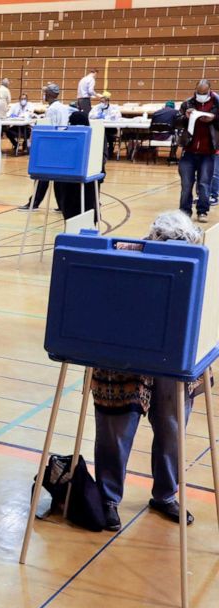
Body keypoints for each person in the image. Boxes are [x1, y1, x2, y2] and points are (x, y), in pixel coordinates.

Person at [92, 210, 203, 531]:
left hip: (176, 359)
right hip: (123, 359)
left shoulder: (199, 263)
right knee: (115, 432)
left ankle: (166, 494)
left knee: (172, 429)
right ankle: (108, 498)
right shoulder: (126, 259)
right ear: (154, 241)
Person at [19, 83, 72, 211]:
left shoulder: (53, 109)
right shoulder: (63, 107)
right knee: (59, 179)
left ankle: (34, 203)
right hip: (62, 146)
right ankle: (62, 205)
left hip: (52, 146)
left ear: (49, 94)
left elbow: (51, 128)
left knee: (42, 177)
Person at [175, 79, 219, 221]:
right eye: (198, 92)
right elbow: (177, 123)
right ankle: (184, 212)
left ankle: (202, 211)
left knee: (204, 183)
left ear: (209, 91)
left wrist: (213, 118)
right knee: (186, 184)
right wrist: (185, 117)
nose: (200, 95)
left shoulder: (217, 102)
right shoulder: (187, 103)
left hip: (208, 152)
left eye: (203, 93)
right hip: (189, 151)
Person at [56, 112, 102, 221]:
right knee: (73, 212)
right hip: (72, 180)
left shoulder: (94, 136)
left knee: (85, 210)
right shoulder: (66, 136)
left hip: (84, 179)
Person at [89, 91, 123, 157]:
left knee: (108, 134)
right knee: (101, 132)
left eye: (104, 101)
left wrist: (108, 117)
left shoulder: (114, 108)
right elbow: (90, 115)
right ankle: (100, 151)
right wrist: (97, 116)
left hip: (110, 129)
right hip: (100, 128)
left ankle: (109, 150)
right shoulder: (97, 107)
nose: (102, 102)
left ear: (107, 100)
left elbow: (117, 116)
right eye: (101, 101)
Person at [152, 100, 180, 165]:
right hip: (167, 137)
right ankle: (172, 157)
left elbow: (151, 126)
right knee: (178, 137)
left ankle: (152, 155)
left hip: (154, 137)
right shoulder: (175, 112)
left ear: (165, 106)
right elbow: (178, 124)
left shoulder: (156, 112)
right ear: (173, 107)